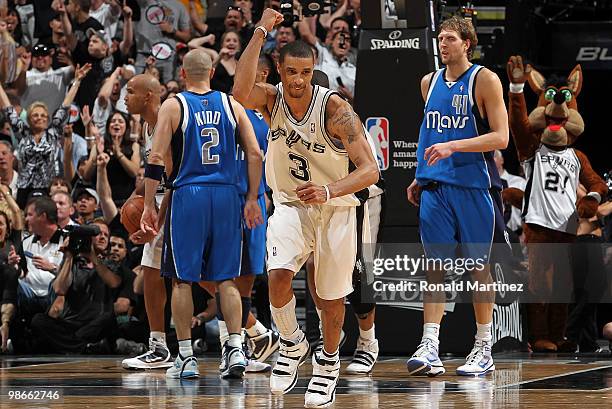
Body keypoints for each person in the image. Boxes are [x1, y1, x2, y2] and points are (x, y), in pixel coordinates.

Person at [233, 9, 379, 408]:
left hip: (336, 208)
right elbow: (240, 91)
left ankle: (328, 364)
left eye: (306, 72)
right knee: (278, 275)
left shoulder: (335, 110)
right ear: (278, 69)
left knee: (329, 300)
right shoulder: (271, 100)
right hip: (291, 204)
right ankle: (293, 344)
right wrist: (261, 28)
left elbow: (370, 170)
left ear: (314, 71)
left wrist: (330, 190)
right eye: (292, 71)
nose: (299, 80)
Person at [141, 49, 263, 379]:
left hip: (188, 194)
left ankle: (185, 356)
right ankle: (236, 349)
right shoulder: (231, 104)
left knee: (182, 279)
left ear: (183, 73)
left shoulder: (174, 104)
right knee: (226, 278)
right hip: (227, 195)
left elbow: (155, 156)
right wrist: (251, 197)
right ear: (211, 73)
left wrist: (150, 204)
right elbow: (254, 152)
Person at [405, 16, 509, 376]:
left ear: (467, 43)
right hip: (435, 186)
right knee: (434, 267)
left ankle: (483, 346)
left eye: (449, 38)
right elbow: (427, 134)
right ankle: (429, 345)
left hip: (473, 186)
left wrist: (454, 146)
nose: (442, 44)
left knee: (477, 267)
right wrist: (421, 175)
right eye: (439, 38)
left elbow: (501, 137)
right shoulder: (428, 82)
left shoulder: (484, 80)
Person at [121, 73, 174, 370]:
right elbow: (151, 178)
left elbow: (174, 180)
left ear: (149, 96)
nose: (124, 98)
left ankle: (249, 330)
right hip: (159, 205)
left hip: (178, 202)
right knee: (152, 274)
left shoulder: (169, 121)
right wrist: (134, 202)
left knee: (197, 278)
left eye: (130, 92)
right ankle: (158, 346)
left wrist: (155, 216)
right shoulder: (146, 125)